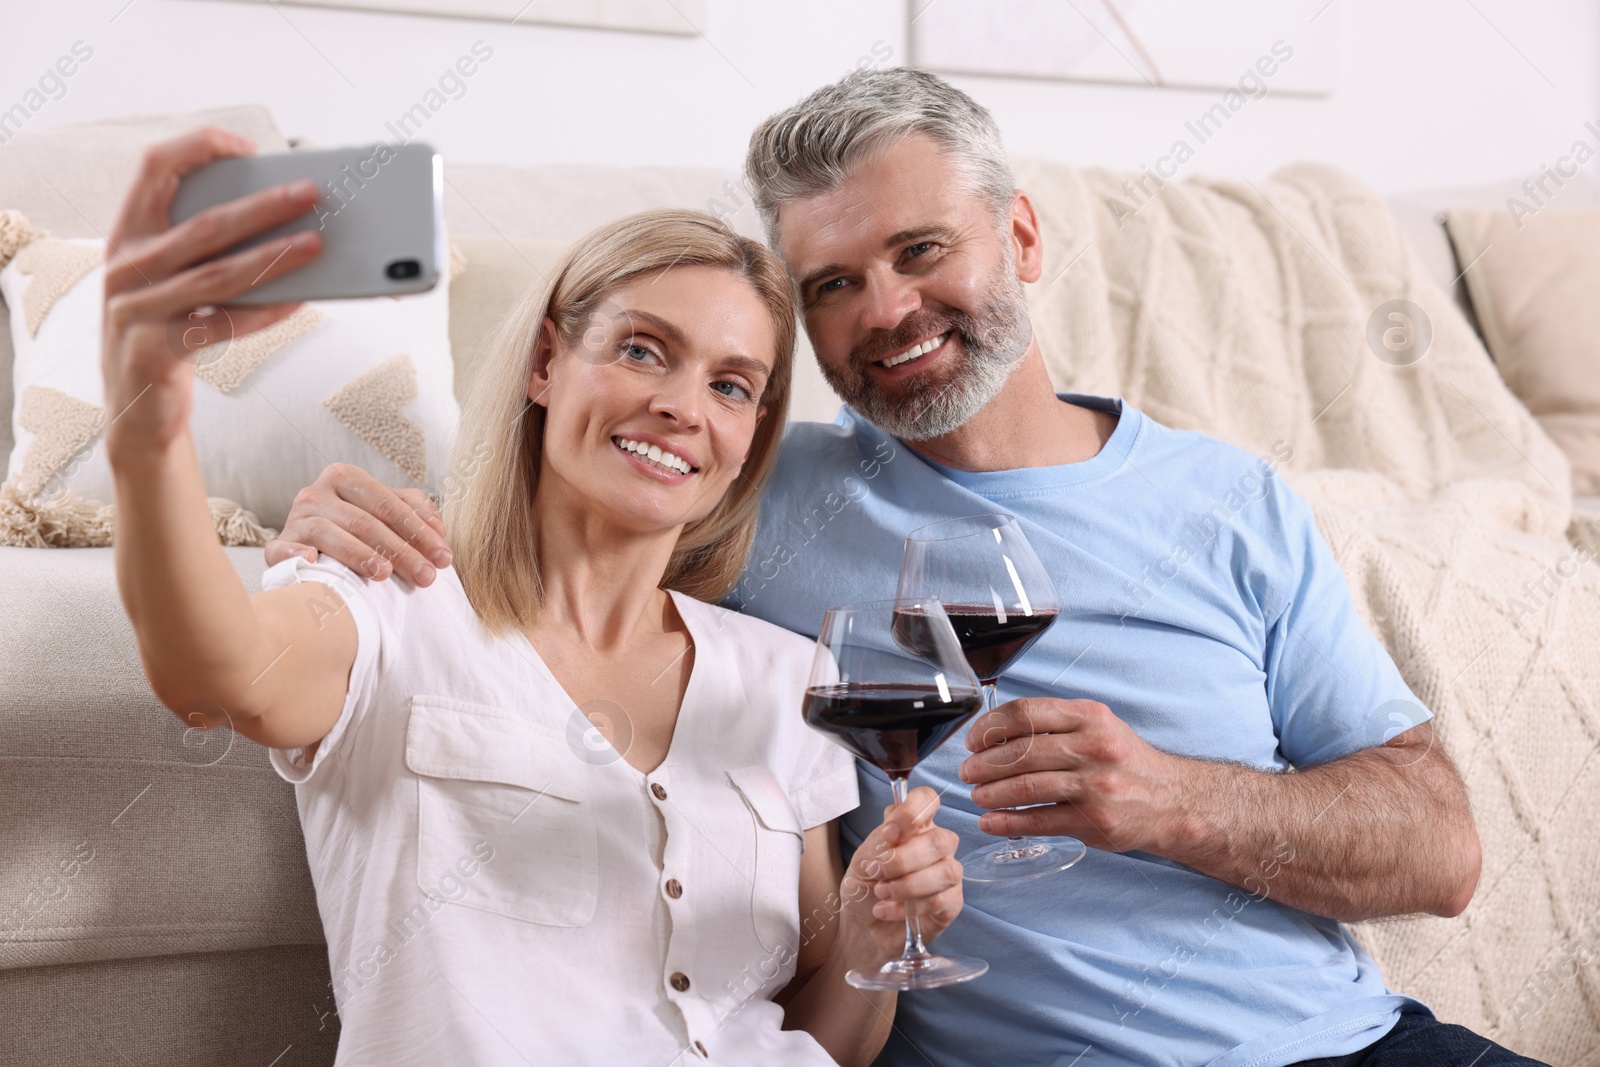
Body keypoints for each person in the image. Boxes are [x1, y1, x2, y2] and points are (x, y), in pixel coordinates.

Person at [268, 70, 1551, 1067]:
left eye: (921, 251)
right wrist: (324, 509)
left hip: (1343, 1041)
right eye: (833, 282)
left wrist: (1168, 799)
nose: (886, 310)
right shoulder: (750, 480)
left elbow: (1438, 850)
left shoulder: (1232, 501)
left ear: (1023, 236)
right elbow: (536, 518)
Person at [103, 127, 970, 1067]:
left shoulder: (786, 677)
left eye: (730, 384)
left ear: (753, 435)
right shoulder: (391, 597)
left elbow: (819, 1034)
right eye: (643, 351)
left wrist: (871, 944)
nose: (683, 405)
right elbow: (212, 672)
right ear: (545, 363)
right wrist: (146, 421)